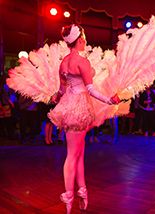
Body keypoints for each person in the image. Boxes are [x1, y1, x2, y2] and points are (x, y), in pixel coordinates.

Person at [48, 24, 120, 213]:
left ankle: (82, 191)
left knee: (79, 154)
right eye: (84, 38)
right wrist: (109, 100)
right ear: (80, 40)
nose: (86, 41)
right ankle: (69, 197)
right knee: (73, 155)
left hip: (69, 105)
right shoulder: (82, 62)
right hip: (79, 108)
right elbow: (90, 89)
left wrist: (55, 97)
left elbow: (62, 90)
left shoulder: (63, 62)